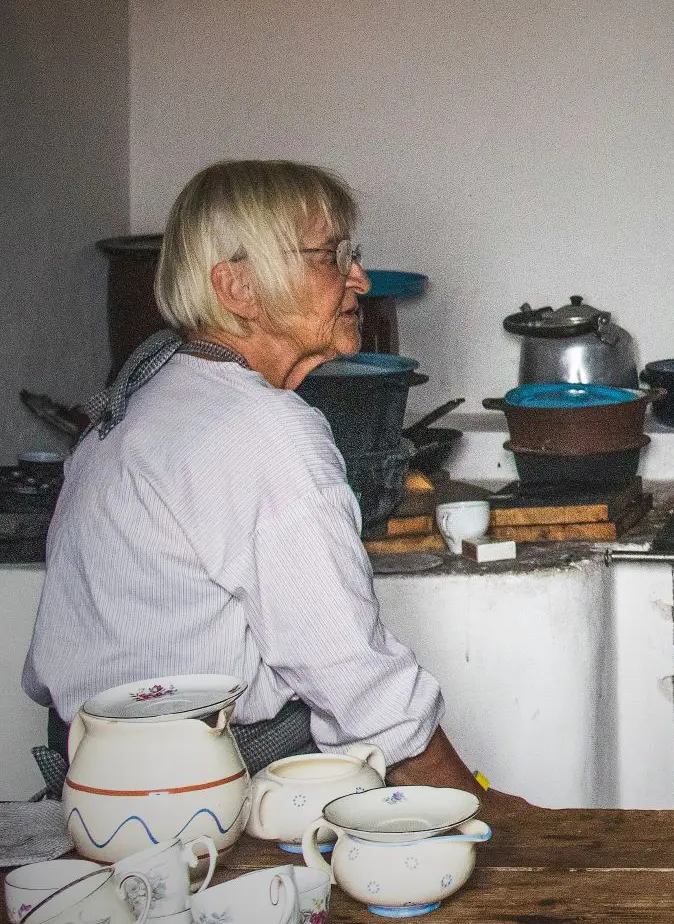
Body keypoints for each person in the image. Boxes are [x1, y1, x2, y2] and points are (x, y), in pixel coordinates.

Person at [23, 159, 524, 810]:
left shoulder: (151, 394)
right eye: (332, 256)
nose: (360, 278)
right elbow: (349, 675)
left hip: (101, 787)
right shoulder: (262, 428)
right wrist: (479, 810)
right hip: (196, 803)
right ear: (238, 287)